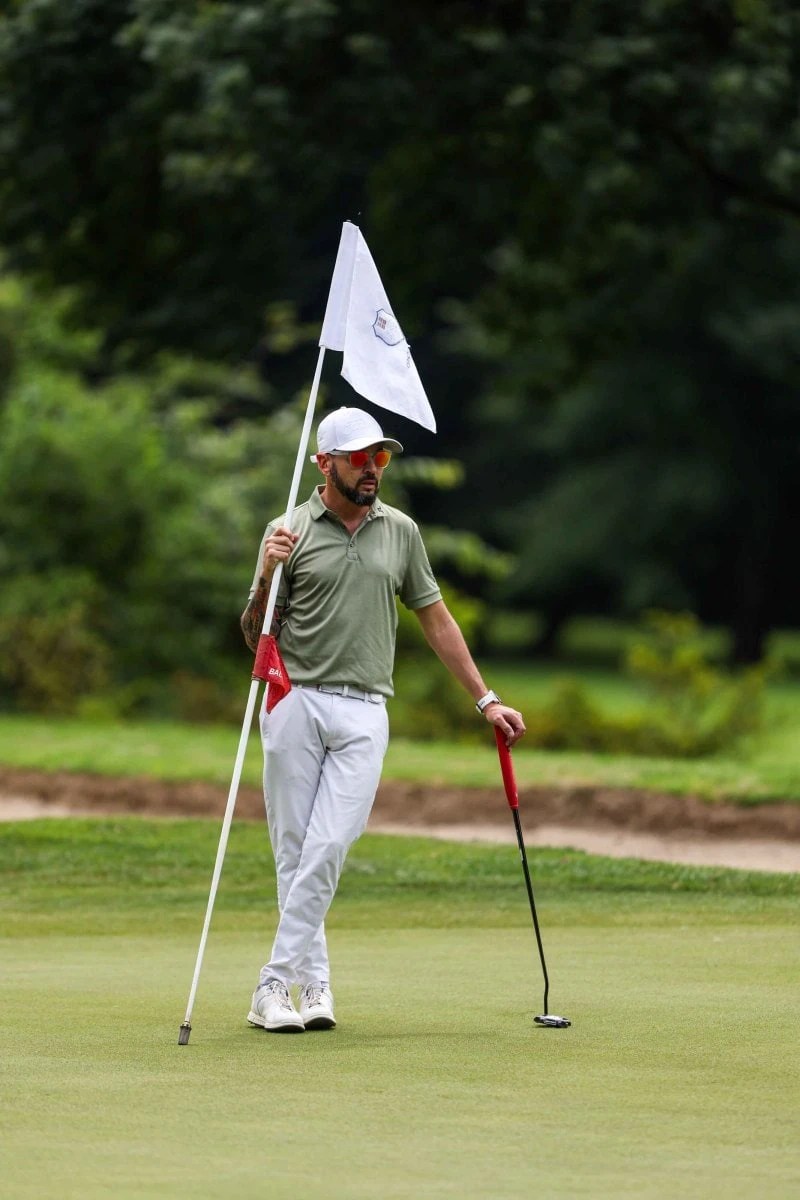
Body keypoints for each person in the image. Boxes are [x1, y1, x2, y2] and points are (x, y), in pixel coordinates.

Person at [240, 406, 526, 1033]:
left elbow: (437, 618)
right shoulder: (287, 530)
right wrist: (266, 572)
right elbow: (253, 633)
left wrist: (486, 698)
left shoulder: (400, 531)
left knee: (331, 843)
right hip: (296, 701)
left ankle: (270, 984)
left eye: (381, 458)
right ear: (325, 464)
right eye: (360, 458)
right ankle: (310, 987)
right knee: (294, 852)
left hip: (367, 707)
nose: (373, 469)